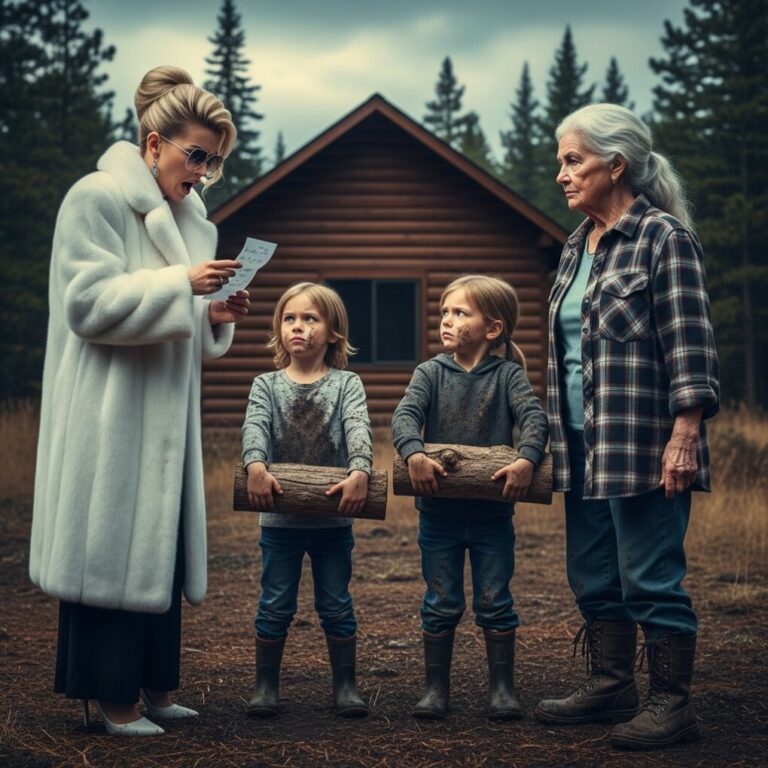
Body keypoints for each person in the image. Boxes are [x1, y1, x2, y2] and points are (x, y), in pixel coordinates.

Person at [29, 65, 250, 736]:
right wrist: (181, 285)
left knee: (160, 551)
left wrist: (213, 315)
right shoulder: (94, 198)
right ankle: (110, 698)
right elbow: (86, 305)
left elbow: (182, 329)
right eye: (197, 156)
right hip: (109, 414)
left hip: (166, 419)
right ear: (155, 144)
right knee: (107, 551)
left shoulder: (195, 222)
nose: (203, 174)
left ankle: (153, 688)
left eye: (213, 163)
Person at [534, 103, 719, 751]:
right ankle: (611, 684)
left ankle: (673, 704)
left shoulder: (663, 238)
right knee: (592, 574)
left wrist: (685, 435)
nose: (561, 174)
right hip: (579, 443)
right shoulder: (574, 246)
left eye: (573, 160)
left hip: (642, 441)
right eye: (560, 161)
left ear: (616, 165)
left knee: (650, 576)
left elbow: (690, 345)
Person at [392, 275, 549, 721]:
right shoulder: (429, 373)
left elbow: (535, 420)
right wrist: (414, 453)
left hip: (491, 518)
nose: (447, 319)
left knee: (495, 600)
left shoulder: (508, 376)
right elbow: (404, 416)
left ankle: (502, 691)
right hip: (438, 515)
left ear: (492, 328)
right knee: (440, 601)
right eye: (444, 311)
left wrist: (527, 459)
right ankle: (435, 690)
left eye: (460, 312)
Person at [242, 282, 372, 719]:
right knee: (275, 603)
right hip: (279, 524)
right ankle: (265, 687)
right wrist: (255, 465)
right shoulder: (266, 385)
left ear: (333, 331)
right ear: (279, 328)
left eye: (310, 318)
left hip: (334, 522)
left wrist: (360, 471)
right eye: (289, 318)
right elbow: (255, 426)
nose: (298, 326)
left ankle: (346, 686)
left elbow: (358, 426)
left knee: (336, 604)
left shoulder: (346, 384)